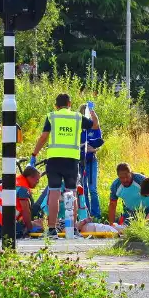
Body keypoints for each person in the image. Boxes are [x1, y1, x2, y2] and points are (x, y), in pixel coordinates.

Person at [30, 93, 99, 237]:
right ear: (70, 104)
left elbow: (43, 137)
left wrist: (34, 155)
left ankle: (51, 230)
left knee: (54, 194)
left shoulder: (52, 116)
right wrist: (91, 110)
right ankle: (72, 229)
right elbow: (95, 125)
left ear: (56, 105)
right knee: (71, 193)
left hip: (54, 160)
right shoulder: (77, 117)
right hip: (72, 161)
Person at [0, 166, 41, 237]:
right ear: (30, 177)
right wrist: (30, 228)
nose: (37, 182)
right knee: (18, 231)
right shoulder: (23, 187)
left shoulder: (16, 180)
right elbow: (25, 210)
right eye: (37, 180)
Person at [79, 103, 104, 220]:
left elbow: (98, 142)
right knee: (83, 188)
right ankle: (86, 215)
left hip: (92, 160)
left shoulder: (95, 128)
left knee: (93, 189)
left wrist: (92, 110)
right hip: (80, 161)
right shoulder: (79, 129)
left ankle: (96, 215)